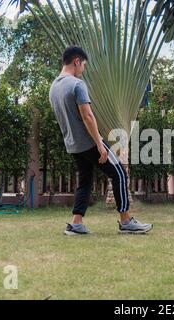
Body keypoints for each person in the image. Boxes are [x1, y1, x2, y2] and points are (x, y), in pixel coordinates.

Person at [49, 46, 152, 235]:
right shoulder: (76, 84)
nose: (83, 70)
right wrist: (99, 144)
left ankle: (76, 224)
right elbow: (87, 116)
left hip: (73, 145)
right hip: (89, 142)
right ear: (77, 61)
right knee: (119, 173)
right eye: (84, 65)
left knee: (85, 180)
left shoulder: (54, 87)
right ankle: (126, 221)